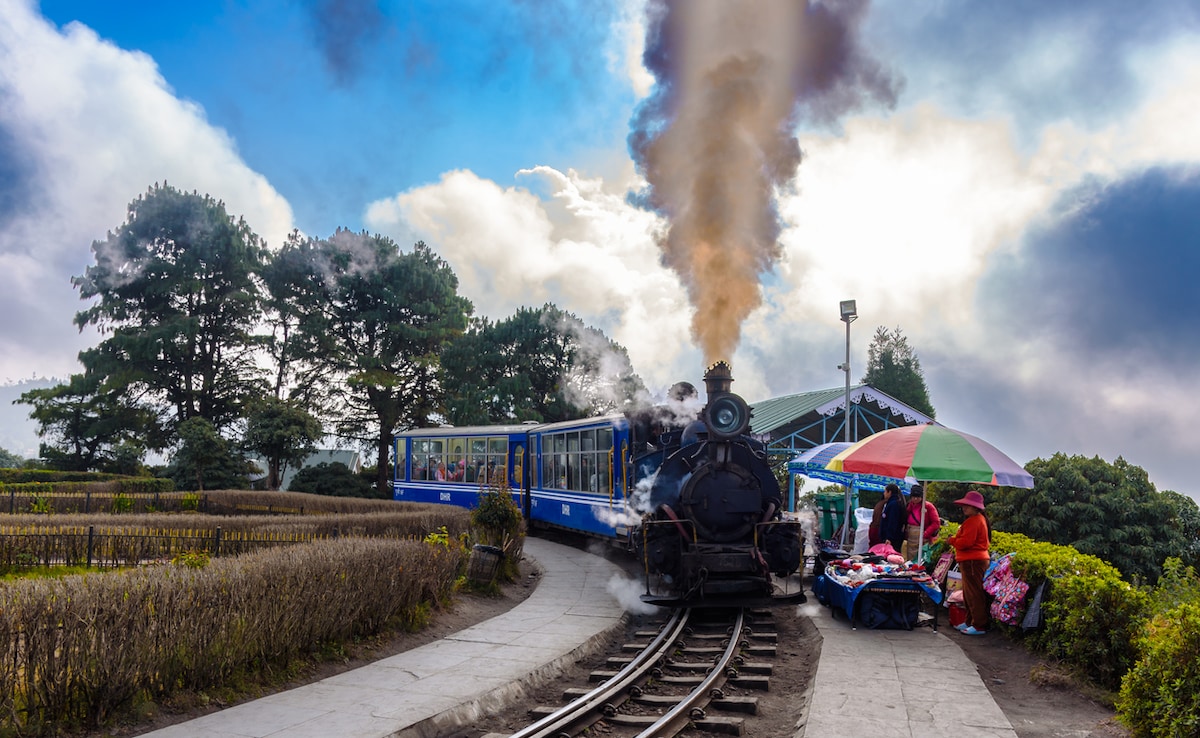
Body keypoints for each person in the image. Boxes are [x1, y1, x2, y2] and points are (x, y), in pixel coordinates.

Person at [947, 489, 991, 635]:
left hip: (973, 561)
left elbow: (965, 543)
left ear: (975, 507)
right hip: (973, 561)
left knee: (974, 594)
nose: (964, 508)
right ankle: (970, 622)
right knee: (969, 593)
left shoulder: (974, 521)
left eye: (967, 505)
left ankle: (979, 625)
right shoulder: (978, 519)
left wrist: (952, 540)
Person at [904, 484, 942, 562]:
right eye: (913, 497)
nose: (915, 499)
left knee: (920, 559)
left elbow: (936, 523)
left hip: (923, 536)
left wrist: (926, 534)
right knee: (910, 559)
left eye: (917, 497)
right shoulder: (909, 506)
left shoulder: (928, 506)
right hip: (910, 536)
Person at [879, 483, 907, 552]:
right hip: (891, 537)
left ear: (889, 492)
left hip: (892, 539)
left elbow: (892, 522)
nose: (884, 493)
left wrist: (889, 538)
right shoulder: (891, 503)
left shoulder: (894, 505)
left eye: (885, 491)